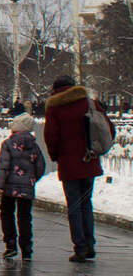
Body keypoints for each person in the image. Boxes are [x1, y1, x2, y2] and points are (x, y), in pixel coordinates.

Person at [43, 74, 109, 263]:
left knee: (74, 206)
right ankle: (90, 245)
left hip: (69, 164)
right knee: (86, 203)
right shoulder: (90, 103)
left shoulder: (55, 107)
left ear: (56, 89)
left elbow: (51, 136)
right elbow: (107, 128)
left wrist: (55, 156)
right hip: (90, 160)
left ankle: (79, 247)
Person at [0, 112, 47, 260]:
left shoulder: (8, 144)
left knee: (6, 213)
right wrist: (32, 179)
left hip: (9, 187)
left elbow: (3, 166)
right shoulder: (34, 145)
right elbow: (41, 166)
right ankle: (27, 248)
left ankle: (10, 244)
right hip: (27, 187)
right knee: (24, 217)